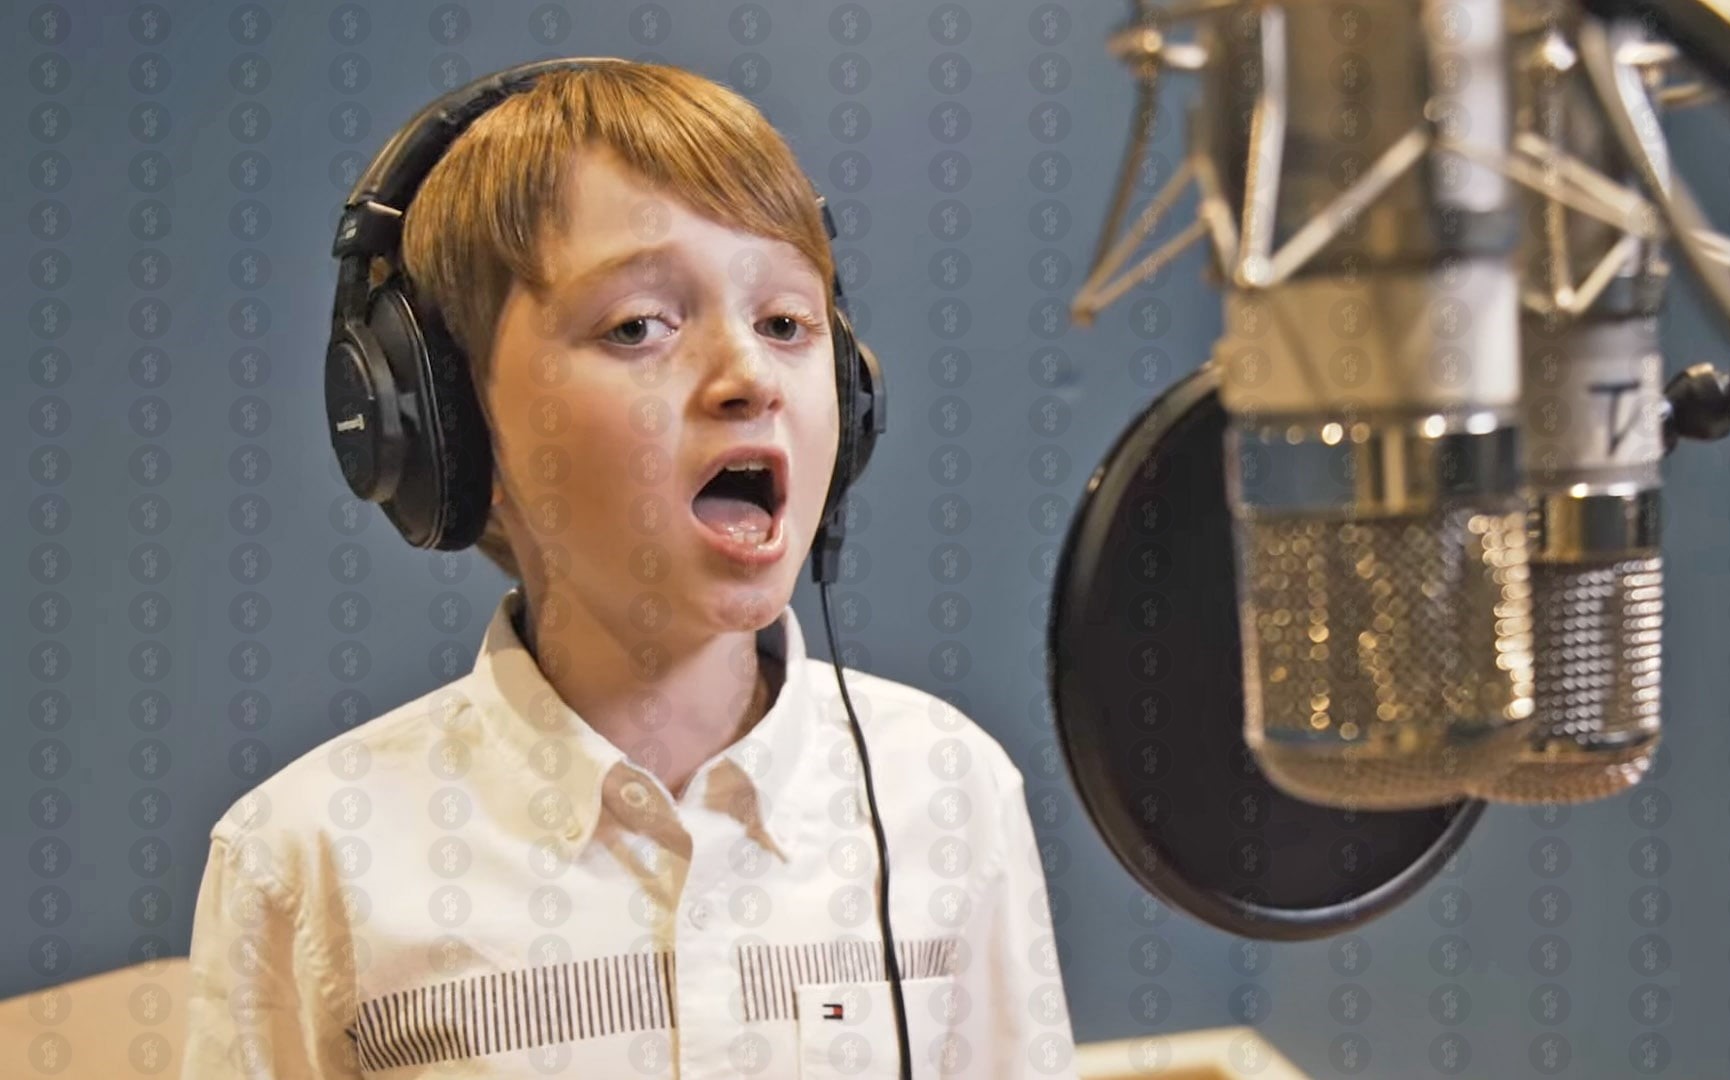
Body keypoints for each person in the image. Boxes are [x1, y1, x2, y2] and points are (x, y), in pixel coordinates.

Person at [179, 59, 1076, 1078]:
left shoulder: (948, 788)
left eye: (786, 324)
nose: (749, 378)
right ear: (453, 431)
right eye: (639, 326)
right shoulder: (305, 862)